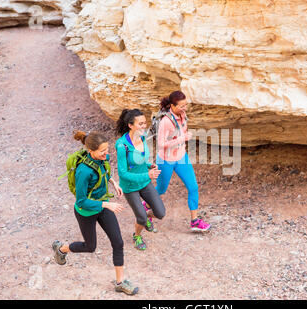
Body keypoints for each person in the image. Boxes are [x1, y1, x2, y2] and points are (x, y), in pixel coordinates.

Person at [52, 130, 138, 295]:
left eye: (107, 149)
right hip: (86, 212)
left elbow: (105, 171)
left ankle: (120, 282)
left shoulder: (102, 159)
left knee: (118, 242)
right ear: (91, 151)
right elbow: (81, 200)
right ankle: (61, 249)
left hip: (103, 207)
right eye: (102, 151)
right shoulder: (83, 171)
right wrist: (106, 204)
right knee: (90, 247)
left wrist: (114, 183)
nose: (106, 153)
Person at [151, 90, 211, 232]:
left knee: (193, 187)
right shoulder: (166, 121)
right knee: (161, 189)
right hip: (166, 160)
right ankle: (146, 206)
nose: (184, 108)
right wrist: (181, 139)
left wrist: (182, 139)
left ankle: (195, 221)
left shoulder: (183, 115)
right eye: (181, 106)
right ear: (172, 105)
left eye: (185, 105)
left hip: (181, 157)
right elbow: (161, 144)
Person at [115, 109, 166, 251]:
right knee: (141, 218)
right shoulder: (122, 145)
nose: (144, 126)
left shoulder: (143, 138)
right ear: (131, 125)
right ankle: (137, 235)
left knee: (160, 213)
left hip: (144, 183)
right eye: (140, 123)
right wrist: (148, 175)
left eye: (145, 123)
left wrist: (149, 165)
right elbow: (123, 173)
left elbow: (139, 161)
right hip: (130, 187)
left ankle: (145, 217)